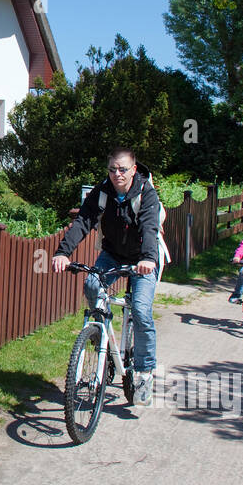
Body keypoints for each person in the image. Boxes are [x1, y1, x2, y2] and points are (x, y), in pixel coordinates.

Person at [52, 147, 162, 405]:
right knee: (91, 284)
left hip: (142, 258)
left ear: (134, 170)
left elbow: (149, 227)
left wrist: (147, 259)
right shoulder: (102, 192)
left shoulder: (147, 193)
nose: (117, 174)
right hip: (113, 254)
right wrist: (62, 252)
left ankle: (145, 372)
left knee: (141, 310)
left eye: (123, 169)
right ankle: (103, 341)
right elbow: (83, 222)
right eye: (112, 169)